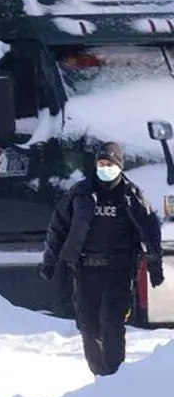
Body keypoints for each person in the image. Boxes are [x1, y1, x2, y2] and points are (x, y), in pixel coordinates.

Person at [40, 142, 163, 376]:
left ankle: (115, 376)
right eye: (101, 163)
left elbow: (150, 231)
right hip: (86, 270)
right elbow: (58, 228)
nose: (105, 167)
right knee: (88, 327)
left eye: (110, 164)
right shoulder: (80, 193)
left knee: (112, 323)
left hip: (120, 271)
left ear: (119, 166)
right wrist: (50, 261)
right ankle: (100, 375)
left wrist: (154, 266)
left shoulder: (132, 195)